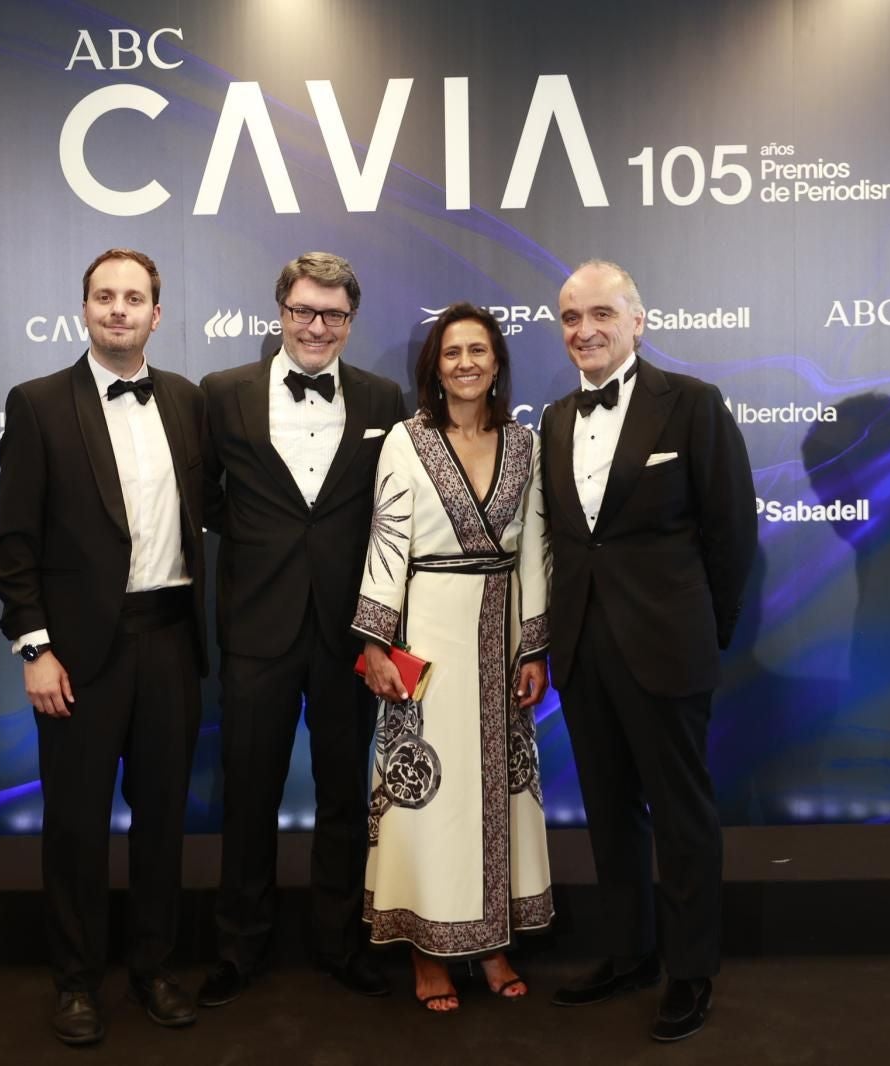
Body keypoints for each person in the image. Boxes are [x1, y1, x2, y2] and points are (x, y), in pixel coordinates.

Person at [0, 248, 207, 1046]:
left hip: (172, 642)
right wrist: (34, 650)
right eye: (105, 296)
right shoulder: (39, 404)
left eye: (135, 297)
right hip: (78, 656)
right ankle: (77, 983)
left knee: (162, 824)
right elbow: (14, 546)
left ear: (158, 312)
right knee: (76, 827)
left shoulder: (186, 400)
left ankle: (153, 967)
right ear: (84, 308)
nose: (119, 308)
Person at [540, 261, 756, 1042]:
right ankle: (628, 952)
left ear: (638, 321)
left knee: (682, 815)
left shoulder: (692, 405)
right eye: (569, 317)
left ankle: (690, 969)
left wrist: (706, 630)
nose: (584, 330)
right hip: (585, 651)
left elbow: (732, 533)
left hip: (669, 647)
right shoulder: (556, 419)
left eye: (601, 313)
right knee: (608, 812)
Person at [198, 252, 406, 1006]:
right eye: (303, 312)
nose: (317, 327)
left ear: (351, 322)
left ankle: (338, 941)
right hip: (258, 625)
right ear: (280, 311)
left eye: (334, 315)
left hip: (351, 630)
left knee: (345, 795)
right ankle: (239, 948)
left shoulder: (386, 396)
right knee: (248, 793)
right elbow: (205, 499)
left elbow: (394, 511)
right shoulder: (222, 396)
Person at [354, 302, 552, 1013]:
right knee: (429, 796)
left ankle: (494, 942)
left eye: (478, 350)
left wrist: (535, 647)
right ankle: (428, 950)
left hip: (501, 636)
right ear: (433, 368)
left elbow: (534, 547)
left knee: (499, 789)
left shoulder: (526, 444)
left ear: (497, 362)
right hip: (427, 633)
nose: (465, 363)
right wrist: (378, 643)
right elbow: (387, 541)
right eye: (451, 353)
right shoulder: (406, 442)